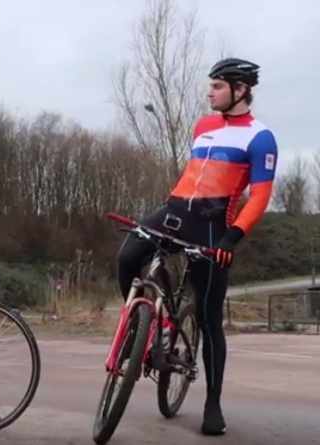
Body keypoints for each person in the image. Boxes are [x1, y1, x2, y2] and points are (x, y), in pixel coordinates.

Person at [117, 58, 277, 435]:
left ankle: (212, 404)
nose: (210, 92)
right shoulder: (203, 126)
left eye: (218, 86)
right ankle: (145, 333)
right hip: (174, 210)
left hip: (211, 225)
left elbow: (260, 195)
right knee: (127, 258)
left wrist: (232, 236)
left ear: (240, 91)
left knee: (209, 319)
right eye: (211, 85)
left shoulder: (260, 137)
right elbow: (193, 176)